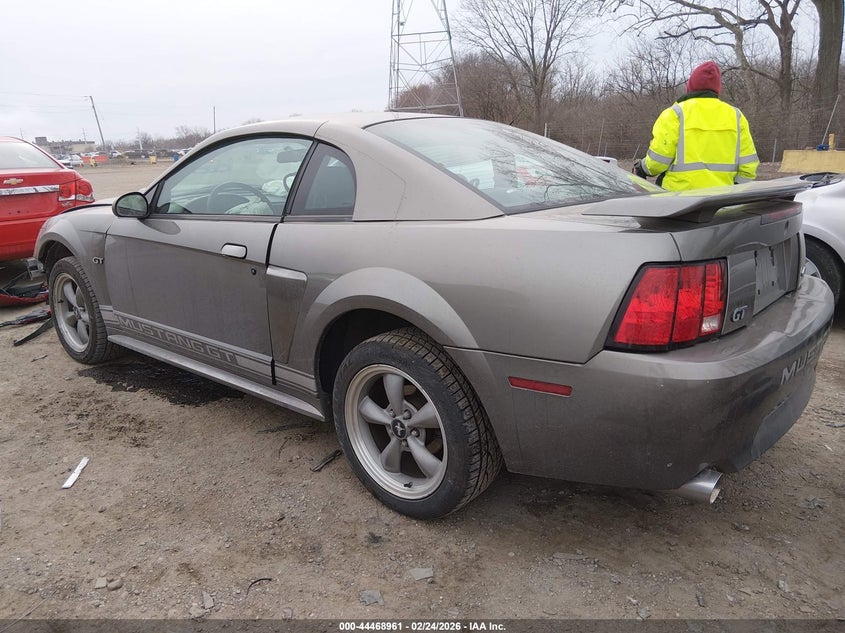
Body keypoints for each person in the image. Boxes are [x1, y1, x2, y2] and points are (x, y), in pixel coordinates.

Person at [633, 61, 759, 191]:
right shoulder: (736, 116)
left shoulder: (675, 114)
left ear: (691, 86)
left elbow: (657, 162)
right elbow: (749, 166)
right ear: (717, 88)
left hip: (679, 201)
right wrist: (735, 190)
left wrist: (642, 167)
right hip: (722, 202)